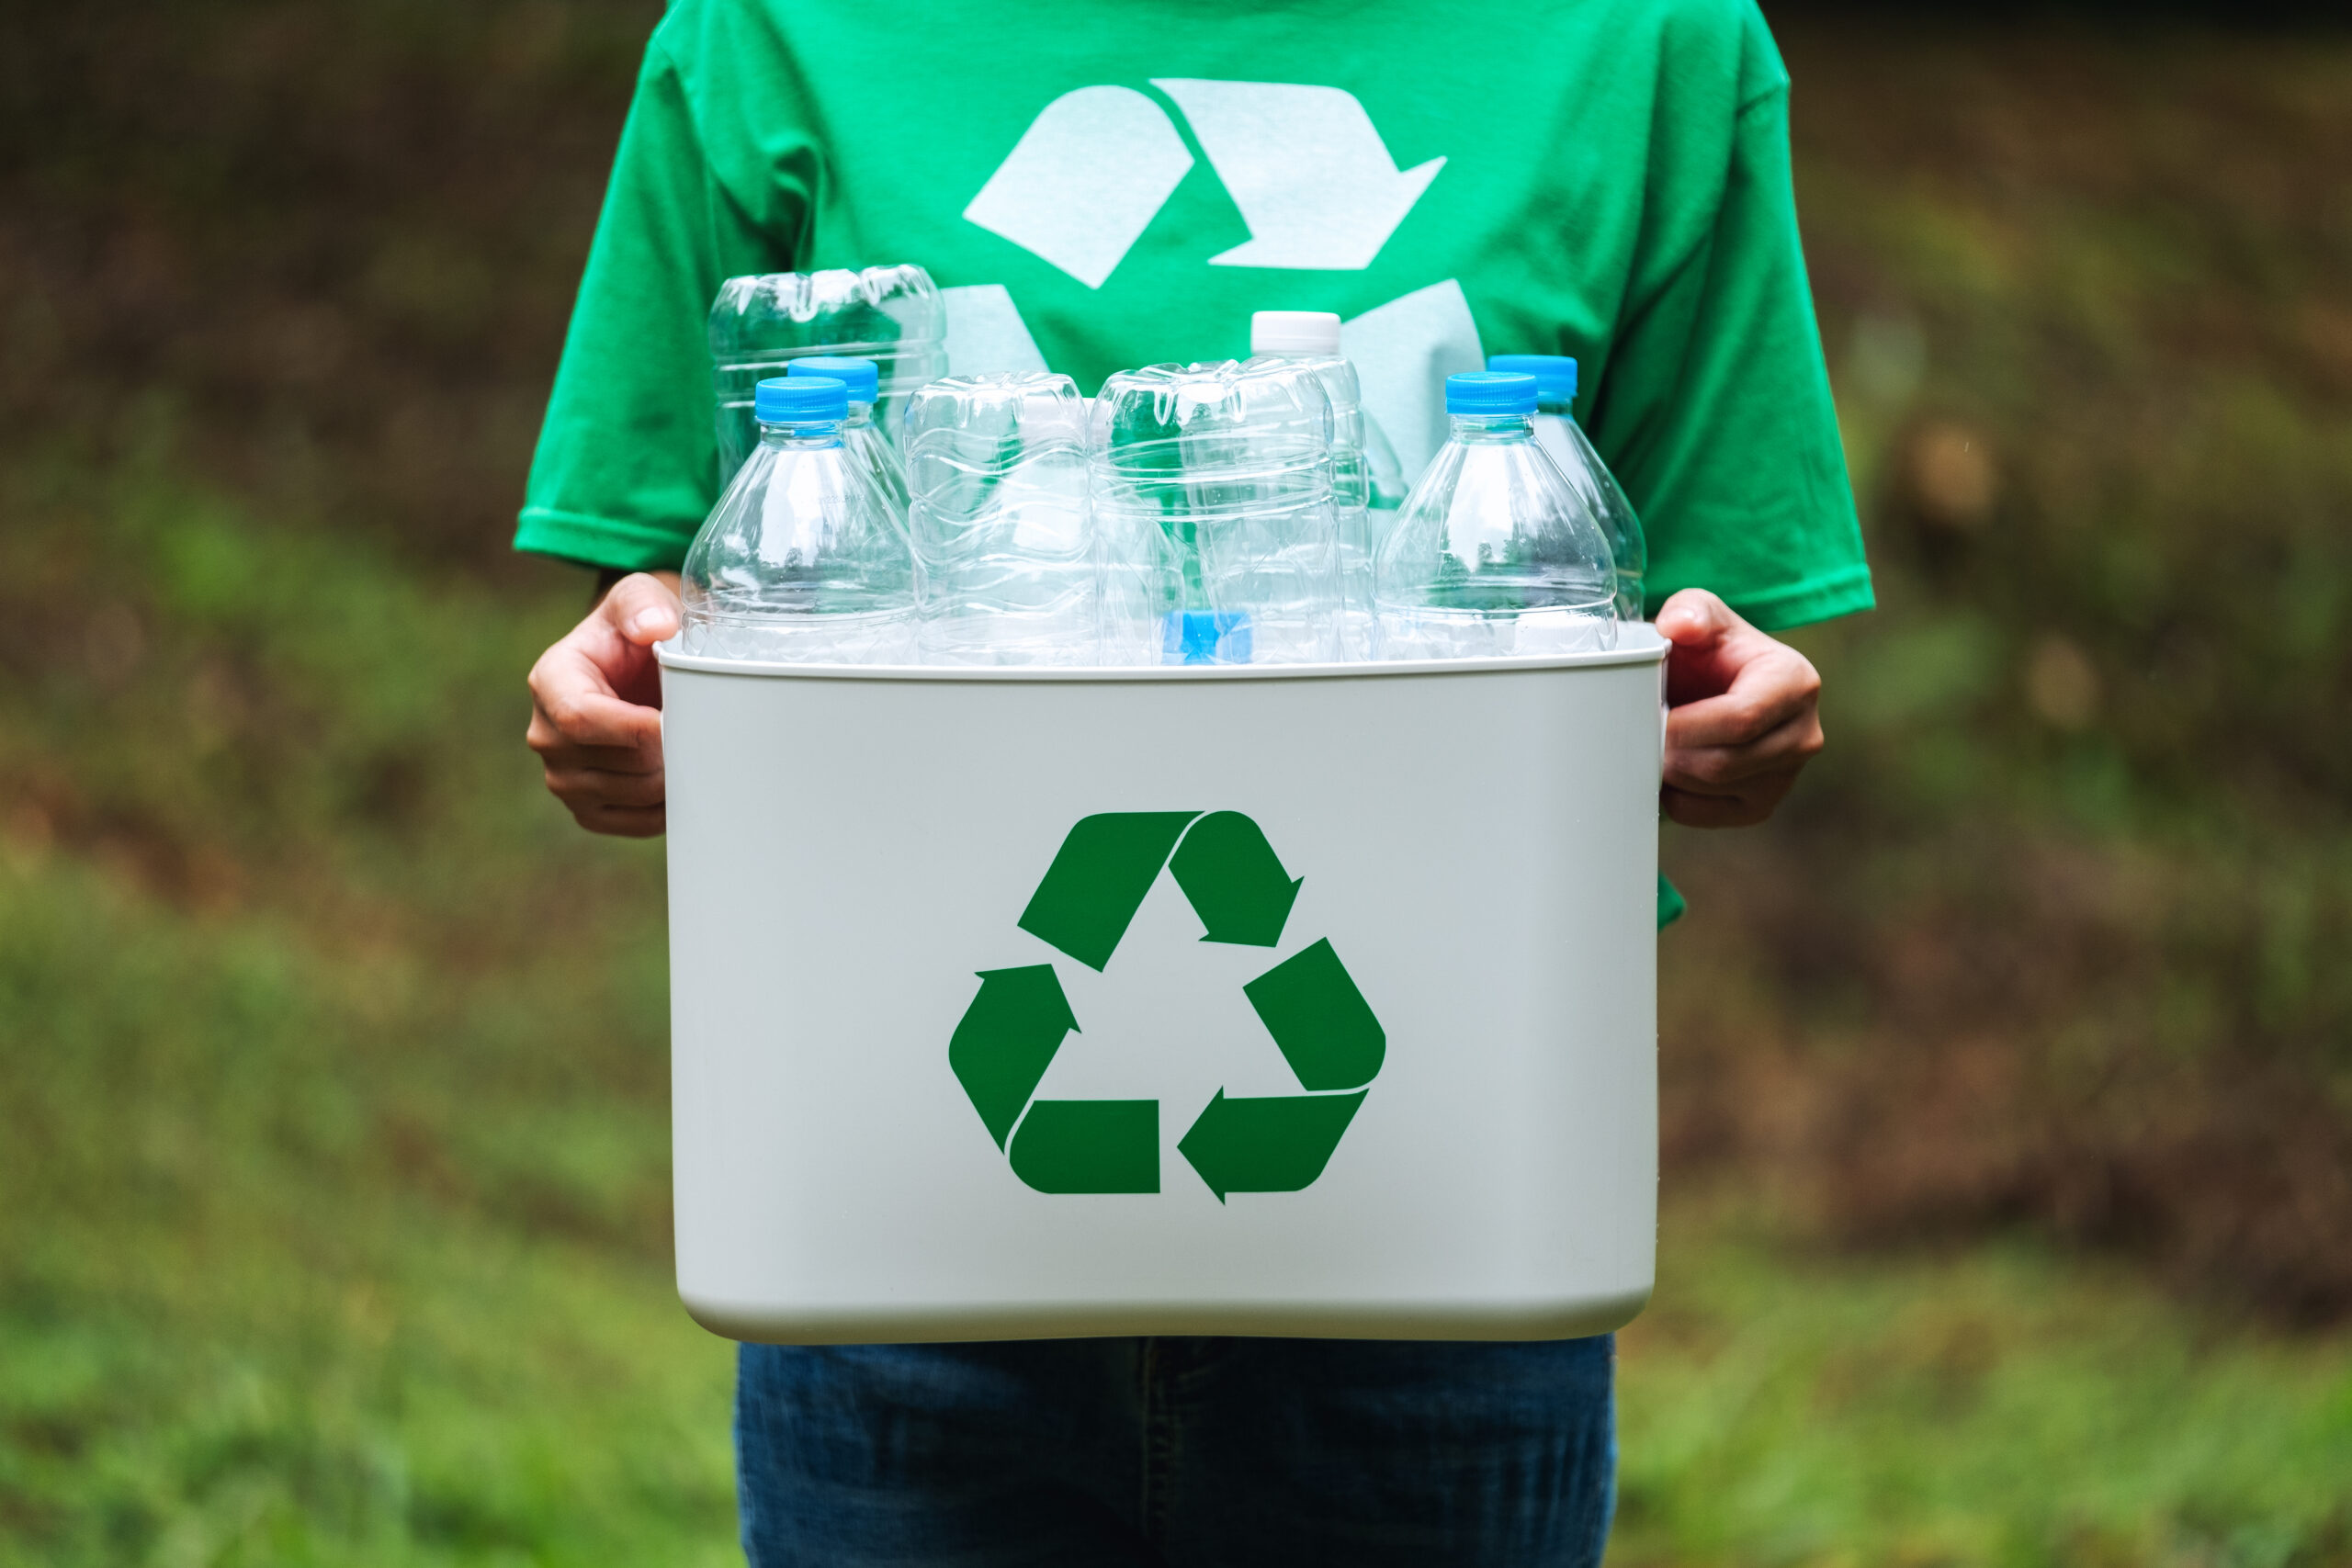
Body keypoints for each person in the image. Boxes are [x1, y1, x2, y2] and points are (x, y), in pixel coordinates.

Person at [516, 0, 1871, 1560]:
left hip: (1445, 1219)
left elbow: (1658, 598)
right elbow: (713, 578)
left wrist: (1727, 707)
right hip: (893, 1220)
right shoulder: (772, 29)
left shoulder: (1647, 42)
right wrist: (633, 675)